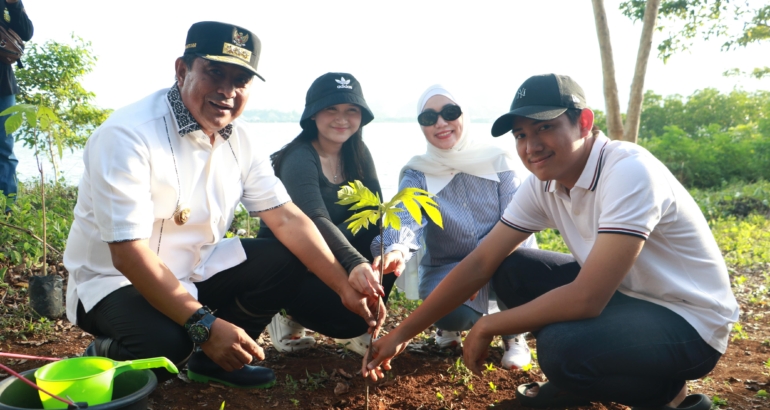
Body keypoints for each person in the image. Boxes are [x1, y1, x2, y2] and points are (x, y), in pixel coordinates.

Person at [364, 74, 738, 410]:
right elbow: (481, 263)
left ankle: (663, 396)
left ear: (584, 122)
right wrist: (400, 334)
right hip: (630, 299)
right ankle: (590, 380)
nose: (531, 146)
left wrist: (486, 326)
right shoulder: (544, 183)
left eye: (544, 128)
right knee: (511, 268)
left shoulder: (628, 172)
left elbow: (588, 298)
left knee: (562, 349)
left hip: (689, 321)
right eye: (522, 135)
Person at [63, 21, 384, 389]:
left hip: (194, 268)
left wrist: (343, 285)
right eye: (214, 72)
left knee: (285, 257)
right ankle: (104, 353)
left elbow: (286, 218)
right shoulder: (128, 136)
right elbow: (127, 254)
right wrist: (204, 326)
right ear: (182, 70)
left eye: (240, 80)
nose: (227, 91)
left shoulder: (241, 139)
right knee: (171, 345)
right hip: (114, 282)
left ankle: (217, 363)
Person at [369, 84, 537, 369]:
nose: (440, 123)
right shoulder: (418, 172)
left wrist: (482, 268)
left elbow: (519, 220)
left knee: (517, 272)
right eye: (428, 118)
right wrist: (396, 248)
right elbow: (406, 215)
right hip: (449, 267)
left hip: (506, 258)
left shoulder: (498, 161)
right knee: (452, 312)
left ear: (464, 115)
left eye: (450, 112)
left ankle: (513, 334)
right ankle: (449, 327)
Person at [259, 72, 395, 357]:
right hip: (295, 266)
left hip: (336, 260)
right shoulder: (299, 157)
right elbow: (314, 218)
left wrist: (393, 251)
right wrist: (356, 263)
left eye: (351, 110)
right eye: (331, 109)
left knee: (384, 255)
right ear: (313, 115)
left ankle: (357, 328)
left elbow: (374, 214)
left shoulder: (357, 153)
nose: (341, 119)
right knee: (351, 289)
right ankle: (284, 314)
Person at [0, 0, 32, 214]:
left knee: (4, 147)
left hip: (3, 85)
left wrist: (14, 4)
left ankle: (7, 209)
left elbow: (26, 33)